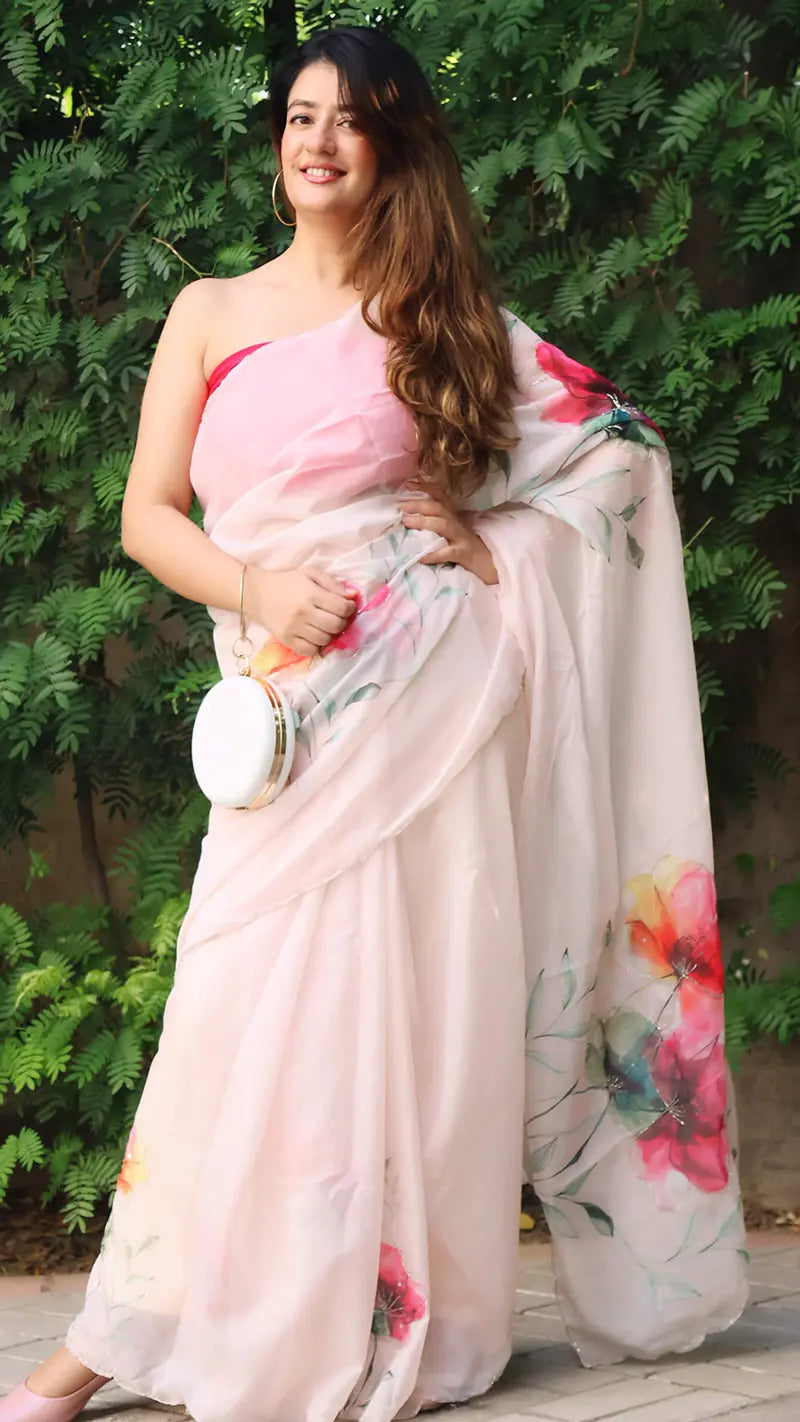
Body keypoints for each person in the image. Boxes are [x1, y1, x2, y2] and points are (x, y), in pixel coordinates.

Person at [2, 22, 749, 1422]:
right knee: (232, 1001)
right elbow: (145, 513)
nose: (316, 139)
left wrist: (499, 550)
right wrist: (257, 583)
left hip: (428, 710)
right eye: (298, 114)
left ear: (396, 141)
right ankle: (122, 1328)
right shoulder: (211, 312)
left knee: (415, 1005)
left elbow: (621, 455)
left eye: (350, 118)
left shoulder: (441, 313)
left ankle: (389, 1301)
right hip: (285, 719)